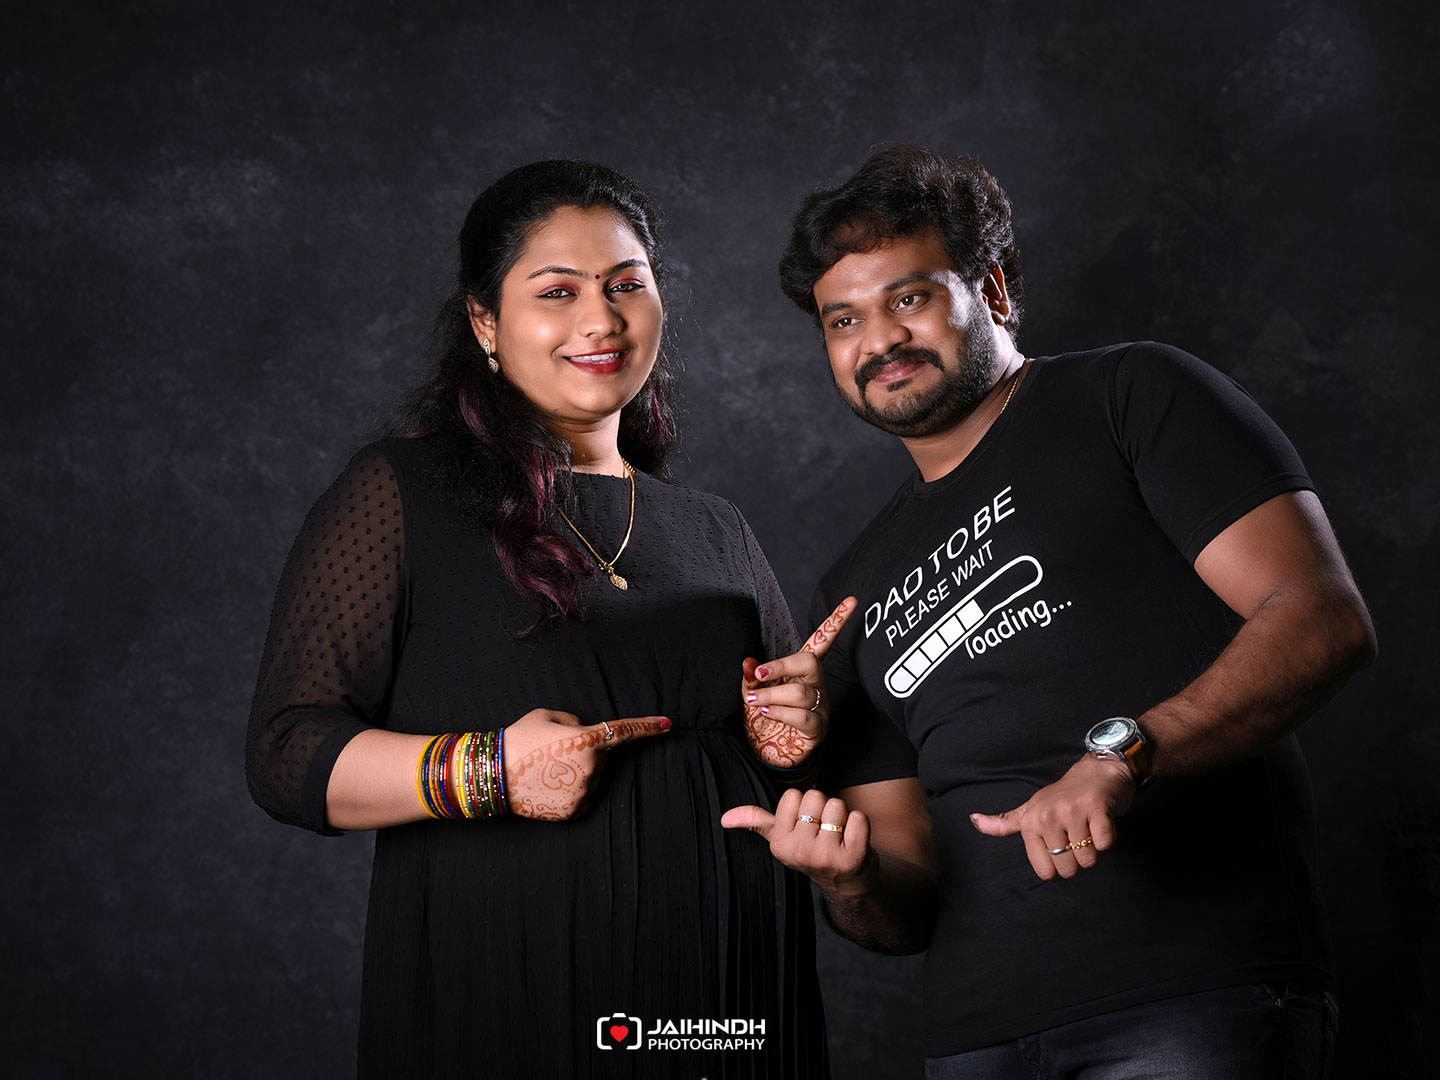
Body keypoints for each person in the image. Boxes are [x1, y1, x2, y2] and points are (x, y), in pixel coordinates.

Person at [724, 146, 1377, 1078]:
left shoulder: (1129, 395)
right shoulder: (850, 590)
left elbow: (1320, 615)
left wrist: (1123, 754)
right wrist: (847, 877)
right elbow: (902, 910)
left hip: (1193, 997)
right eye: (845, 320)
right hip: (976, 1039)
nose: (879, 341)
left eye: (910, 298)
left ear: (992, 289)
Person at [245, 160, 853, 1078]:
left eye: (625, 286)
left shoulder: (716, 528)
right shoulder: (402, 492)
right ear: (485, 323)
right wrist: (485, 771)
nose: (600, 320)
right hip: (509, 981)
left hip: (729, 988)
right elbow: (286, 752)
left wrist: (792, 736)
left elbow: (798, 761)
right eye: (557, 292)